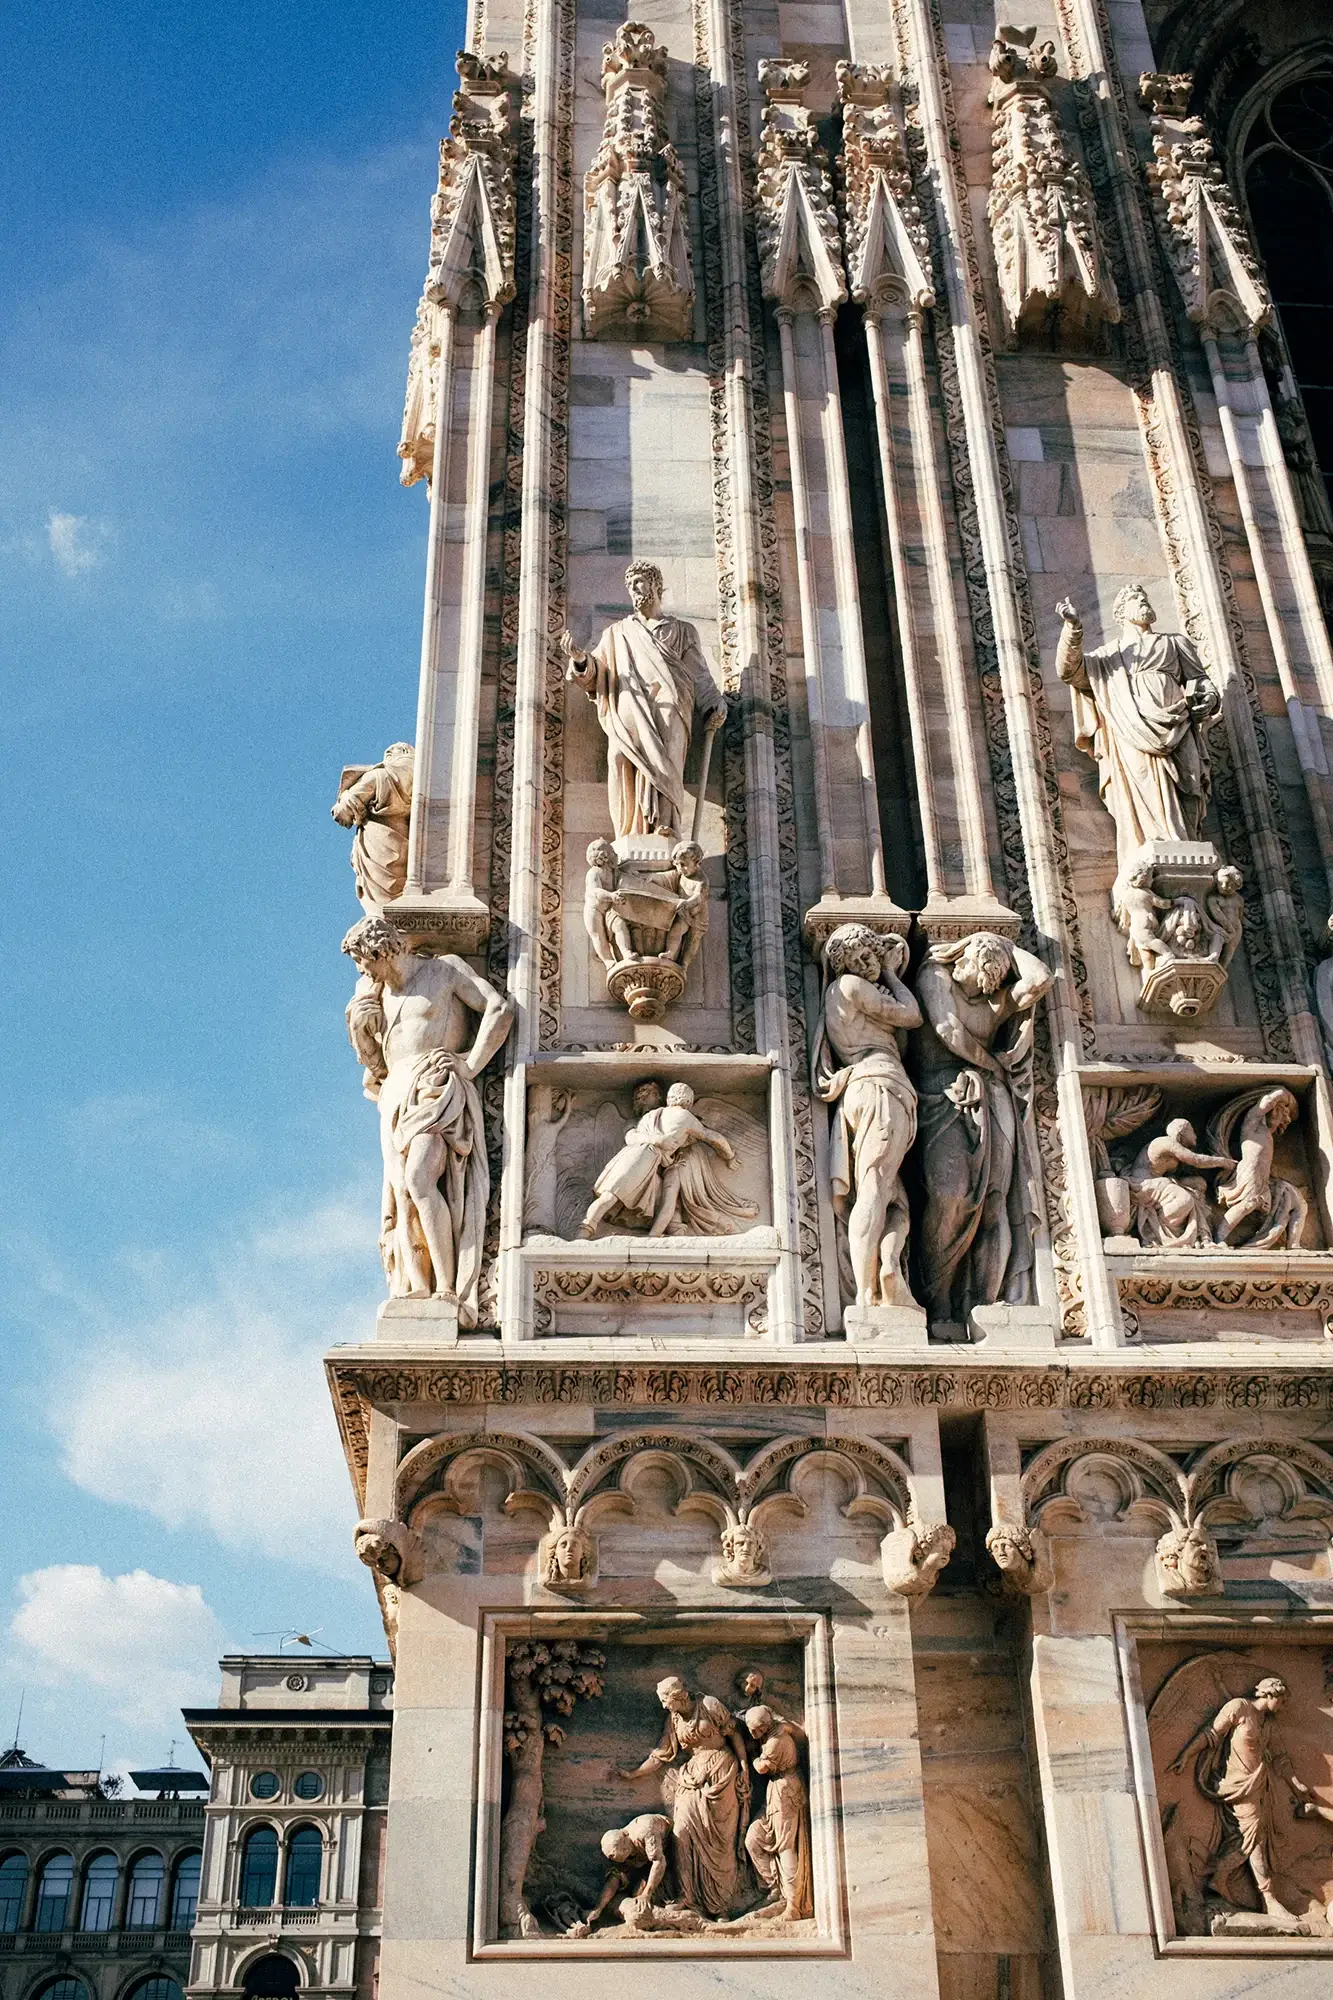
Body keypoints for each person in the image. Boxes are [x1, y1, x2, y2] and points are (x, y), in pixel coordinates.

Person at [341, 915, 514, 1322]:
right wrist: (362, 1028)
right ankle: (419, 1285)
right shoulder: (377, 995)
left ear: (381, 950)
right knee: (402, 1194)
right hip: (396, 1093)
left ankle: (449, 1290)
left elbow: (498, 1009)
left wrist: (471, 1063)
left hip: (435, 1086)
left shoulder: (444, 969)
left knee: (421, 1178)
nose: (362, 971)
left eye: (363, 962)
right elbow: (373, 1063)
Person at [912, 932, 1053, 1322]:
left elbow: (1040, 980)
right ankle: (936, 1297)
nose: (963, 970)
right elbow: (947, 1031)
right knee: (950, 1195)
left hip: (991, 1098)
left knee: (996, 1200)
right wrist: (974, 942)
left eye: (974, 969)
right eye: (964, 961)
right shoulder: (933, 976)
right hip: (940, 1094)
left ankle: (986, 1304)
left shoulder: (997, 1003)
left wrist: (1007, 947)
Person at [1056, 584, 1220, 891]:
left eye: (1145, 597)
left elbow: (1200, 679)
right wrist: (1073, 628)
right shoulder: (1109, 657)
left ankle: (1185, 839)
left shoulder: (1174, 643)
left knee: (1189, 783)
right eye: (1135, 598)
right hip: (1132, 730)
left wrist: (1209, 697)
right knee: (1143, 780)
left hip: (1179, 723)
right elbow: (1071, 671)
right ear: (1120, 613)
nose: (1143, 601)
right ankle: (1152, 844)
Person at [563, 562, 726, 841]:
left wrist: (713, 702)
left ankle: (667, 828)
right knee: (618, 757)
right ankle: (628, 832)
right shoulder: (617, 633)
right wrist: (580, 660)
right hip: (629, 708)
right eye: (631, 585)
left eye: (639, 582)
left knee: (667, 761)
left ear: (655, 585)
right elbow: (596, 671)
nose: (635, 589)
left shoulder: (683, 631)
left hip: (670, 705)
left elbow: (699, 674)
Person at [811, 925, 921, 1310]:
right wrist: (891, 972)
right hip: (881, 1085)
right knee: (874, 1190)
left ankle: (889, 1271)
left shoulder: (837, 995)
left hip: (866, 1089)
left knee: (895, 1201)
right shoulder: (852, 986)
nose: (866, 963)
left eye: (869, 955)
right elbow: (911, 1016)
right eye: (857, 959)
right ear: (843, 965)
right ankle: (866, 1295)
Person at [1169, 1677, 1313, 1921]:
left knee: (1247, 1838)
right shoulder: (1239, 1707)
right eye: (1282, 1699)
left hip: (1259, 1789)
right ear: (1269, 1694)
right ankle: (1269, 1899)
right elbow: (1212, 1734)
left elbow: (1280, 1759)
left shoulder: (1268, 1725)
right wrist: (1186, 1755)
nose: (1283, 1705)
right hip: (1238, 1787)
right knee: (1253, 1839)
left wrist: (1297, 1785)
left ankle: (1217, 1879)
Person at [621, 1677, 751, 1918]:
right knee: (682, 1833)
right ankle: (686, 1895)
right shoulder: (674, 1719)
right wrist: (633, 1774)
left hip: (721, 1774)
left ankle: (721, 1905)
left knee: (721, 1841)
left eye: (665, 1699)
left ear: (678, 1695)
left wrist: (745, 1768)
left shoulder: (709, 1704)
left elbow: (733, 1734)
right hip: (692, 1778)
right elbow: (661, 1755)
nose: (663, 1706)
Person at [578, 1082, 756, 1238]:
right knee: (620, 1196)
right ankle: (651, 1235)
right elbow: (714, 1137)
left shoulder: (651, 1115)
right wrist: (730, 1156)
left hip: (631, 1155)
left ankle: (585, 1232)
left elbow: (631, 1137)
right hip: (645, 1158)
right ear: (689, 1102)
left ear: (669, 1098)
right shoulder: (686, 1117)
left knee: (613, 1196)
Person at [1211, 1088, 1307, 1250]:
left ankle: (1294, 1244)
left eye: (1281, 1115)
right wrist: (1280, 1095)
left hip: (1263, 1177)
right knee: (1247, 1205)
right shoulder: (1252, 1126)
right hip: (1251, 1172)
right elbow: (1262, 1106)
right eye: (1275, 1112)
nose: (1276, 1117)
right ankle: (1219, 1239)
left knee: (1298, 1202)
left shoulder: (1267, 1134)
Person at [743, 1707, 813, 1920]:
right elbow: (792, 1728)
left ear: (764, 1726)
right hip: (776, 1790)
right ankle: (775, 1887)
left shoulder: (775, 1742)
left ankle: (793, 1905)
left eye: (754, 1730)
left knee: (786, 1847)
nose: (752, 1733)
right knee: (753, 1838)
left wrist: (753, 1757)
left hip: (786, 1790)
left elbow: (762, 1768)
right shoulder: (778, 1727)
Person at [331, 742, 415, 911]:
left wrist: (340, 806)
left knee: (379, 901)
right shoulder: (421, 778)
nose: (387, 757)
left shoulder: (380, 775)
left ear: (404, 752)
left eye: (390, 753)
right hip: (403, 837)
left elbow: (345, 809)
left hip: (379, 837)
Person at [1127, 1118, 1230, 1249]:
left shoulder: (1174, 1146)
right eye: (1192, 1132)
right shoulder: (1166, 1142)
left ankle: (1203, 1235)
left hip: (1160, 1182)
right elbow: (1196, 1160)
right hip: (1145, 1184)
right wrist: (1224, 1162)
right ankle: (1161, 1232)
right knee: (1184, 1199)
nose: (1195, 1136)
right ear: (1182, 1132)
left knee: (1199, 1184)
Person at [566, 1814, 674, 1935]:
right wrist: (598, 1909)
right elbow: (615, 1877)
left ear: (626, 1839)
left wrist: (646, 1895)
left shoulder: (645, 1831)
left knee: (648, 1900)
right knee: (636, 1898)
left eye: (625, 1851)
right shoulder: (620, 1848)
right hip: (648, 1864)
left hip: (672, 1849)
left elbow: (659, 1862)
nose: (625, 1857)